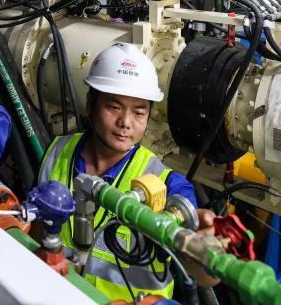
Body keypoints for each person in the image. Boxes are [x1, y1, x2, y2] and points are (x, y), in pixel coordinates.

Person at [36, 42, 216, 301]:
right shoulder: (57, 152)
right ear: (90, 104)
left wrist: (202, 244)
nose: (125, 123)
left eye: (139, 112)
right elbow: (35, 229)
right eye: (114, 107)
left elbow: (203, 275)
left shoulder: (166, 184)